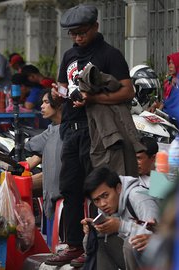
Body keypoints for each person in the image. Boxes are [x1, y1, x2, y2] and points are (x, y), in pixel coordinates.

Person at [46, 4, 136, 267]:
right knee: (70, 189)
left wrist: (94, 98)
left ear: (96, 27)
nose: (77, 38)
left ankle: (95, 246)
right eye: (73, 33)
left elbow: (127, 91)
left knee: (97, 190)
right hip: (70, 131)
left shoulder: (110, 55)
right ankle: (74, 245)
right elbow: (63, 87)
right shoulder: (68, 56)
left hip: (98, 132)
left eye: (82, 32)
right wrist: (56, 94)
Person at [81, 166, 159, 270]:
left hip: (162, 259)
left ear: (118, 188)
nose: (102, 204)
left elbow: (159, 235)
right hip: (132, 258)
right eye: (97, 200)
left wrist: (121, 226)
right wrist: (94, 227)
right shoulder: (105, 207)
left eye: (105, 196)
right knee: (92, 238)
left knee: (131, 243)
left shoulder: (138, 197)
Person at [23, 89, 63, 242]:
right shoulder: (51, 129)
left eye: (46, 102)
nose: (41, 106)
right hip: (50, 195)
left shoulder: (68, 131)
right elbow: (33, 157)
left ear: (58, 105)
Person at [162, 52, 179, 125]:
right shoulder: (169, 81)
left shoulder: (175, 80)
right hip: (168, 117)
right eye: (169, 63)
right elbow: (165, 101)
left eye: (173, 63)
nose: (170, 66)